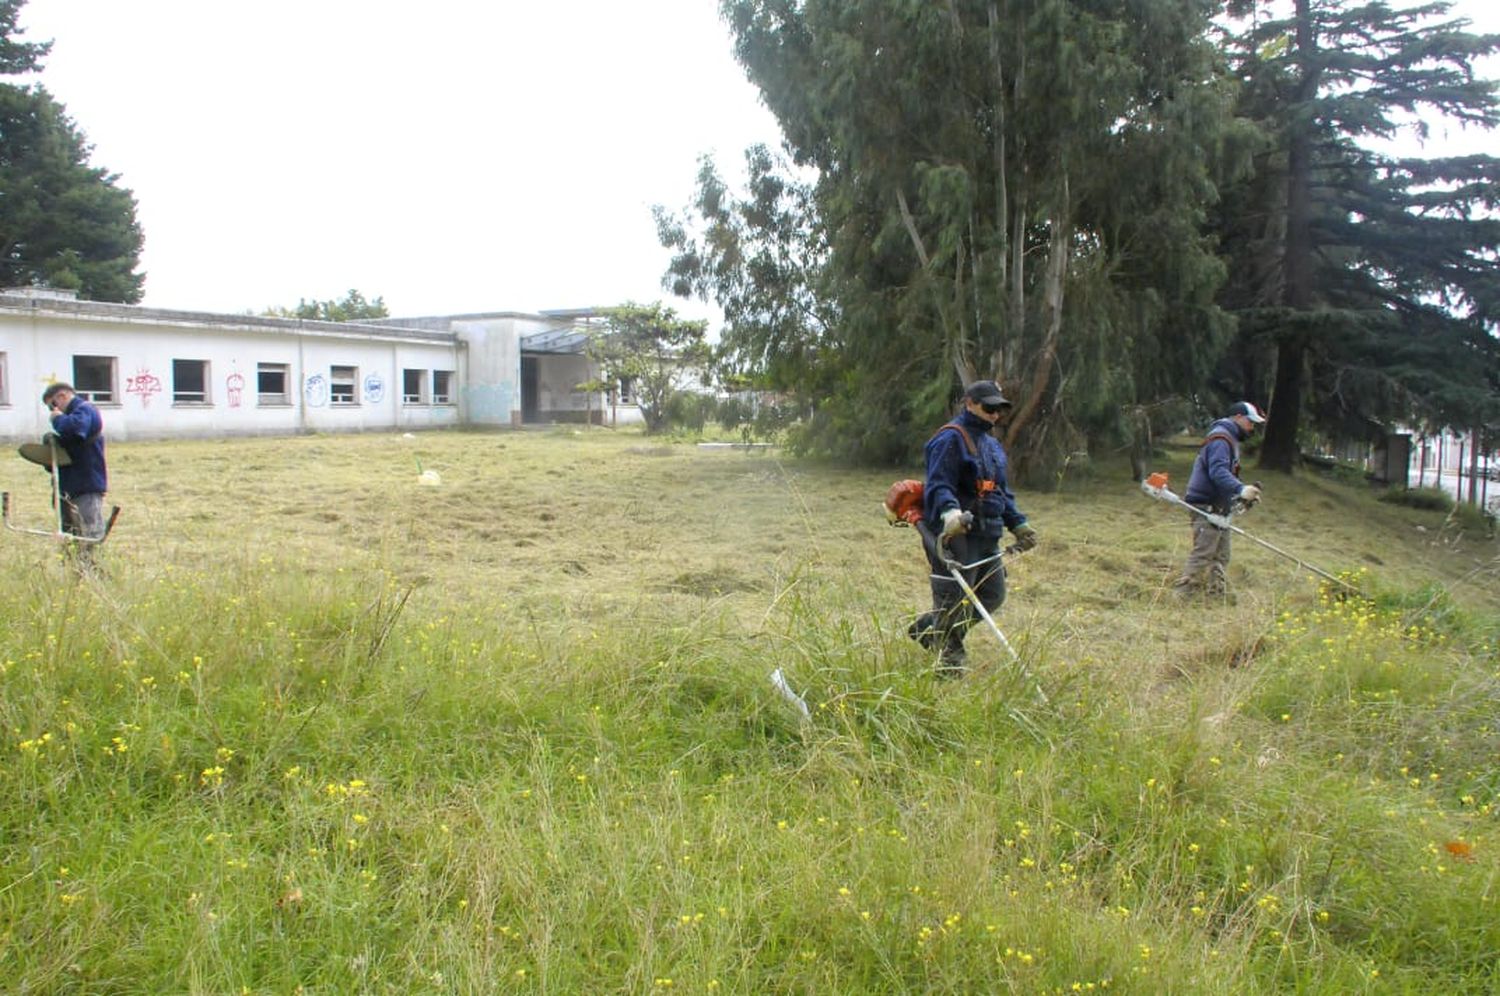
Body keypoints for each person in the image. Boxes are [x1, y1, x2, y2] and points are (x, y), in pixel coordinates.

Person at [908, 380, 1037, 676]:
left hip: (989, 534)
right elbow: (939, 484)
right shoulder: (949, 439)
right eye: (989, 407)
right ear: (969, 403)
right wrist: (950, 513)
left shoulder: (991, 446)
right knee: (952, 602)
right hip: (958, 536)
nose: (994, 414)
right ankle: (949, 671)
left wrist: (1018, 524)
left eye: (998, 409)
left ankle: (931, 631)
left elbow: (1000, 493)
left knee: (993, 595)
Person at [1173, 401, 1265, 597]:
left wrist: (1243, 495)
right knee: (1204, 552)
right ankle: (1181, 596)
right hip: (1206, 503)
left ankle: (1216, 595)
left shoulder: (1229, 438)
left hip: (1219, 504)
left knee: (1221, 555)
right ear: (1238, 417)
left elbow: (1226, 474)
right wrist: (1240, 489)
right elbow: (1218, 472)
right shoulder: (1220, 438)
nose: (1252, 428)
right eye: (1250, 422)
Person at [41, 382, 109, 544]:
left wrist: (57, 418)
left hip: (86, 484)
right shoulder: (71, 416)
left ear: (62, 396)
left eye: (53, 406)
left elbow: (75, 430)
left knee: (89, 534)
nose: (53, 411)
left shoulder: (85, 409)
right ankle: (75, 567)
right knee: (70, 536)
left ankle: (91, 567)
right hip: (69, 484)